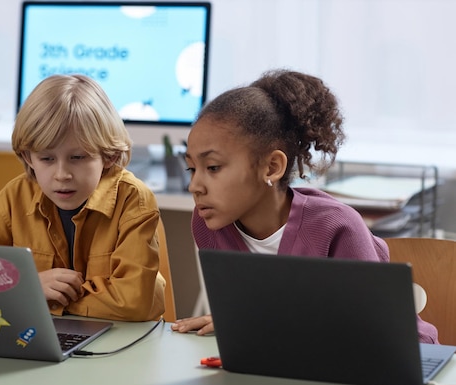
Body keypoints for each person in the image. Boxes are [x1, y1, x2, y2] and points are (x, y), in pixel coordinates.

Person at [170, 69, 439, 343]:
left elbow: (372, 331)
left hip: (406, 356)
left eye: (213, 167)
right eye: (192, 169)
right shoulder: (208, 224)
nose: (195, 186)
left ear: (272, 167)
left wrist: (257, 323)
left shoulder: (336, 226)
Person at [0, 74, 165, 321]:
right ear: (28, 157)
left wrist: (33, 295)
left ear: (107, 155)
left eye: (77, 158)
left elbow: (132, 303)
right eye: (47, 159)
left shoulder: (133, 200)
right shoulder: (16, 196)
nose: (62, 175)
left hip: (120, 344)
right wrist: (29, 286)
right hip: (41, 336)